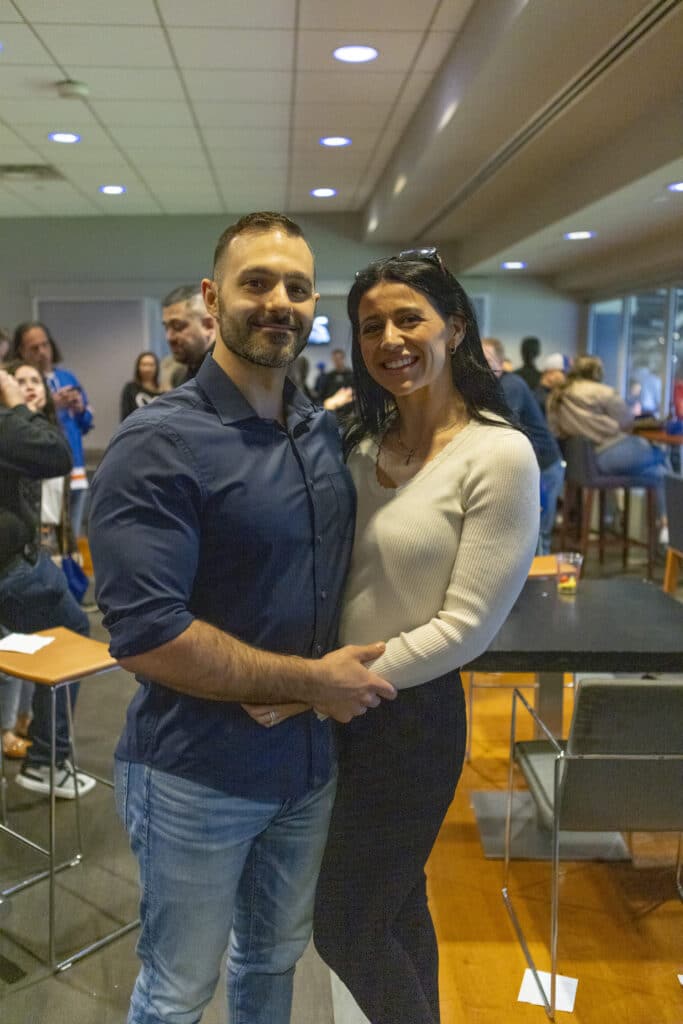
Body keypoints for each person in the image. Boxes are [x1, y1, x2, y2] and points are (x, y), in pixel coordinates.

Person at [88, 211, 396, 1024]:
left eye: (296, 287)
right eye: (256, 281)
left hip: (304, 769)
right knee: (178, 989)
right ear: (211, 295)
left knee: (271, 963)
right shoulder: (160, 443)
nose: (278, 301)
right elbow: (147, 637)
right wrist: (310, 681)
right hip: (195, 775)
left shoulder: (318, 431)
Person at [245, 249, 539, 1024]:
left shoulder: (497, 454)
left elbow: (465, 628)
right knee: (395, 905)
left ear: (456, 326)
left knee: (343, 924)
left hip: (406, 720)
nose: (389, 339)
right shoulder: (358, 444)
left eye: (409, 318)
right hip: (334, 710)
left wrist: (326, 687)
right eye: (371, 325)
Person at [0, 363, 94, 798]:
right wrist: (18, 407)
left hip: (24, 560)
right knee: (69, 635)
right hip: (12, 569)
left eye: (32, 381)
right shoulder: (11, 422)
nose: (24, 389)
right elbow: (56, 454)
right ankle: (47, 760)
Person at [547, 355, 668, 542]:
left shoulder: (557, 394)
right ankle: (664, 528)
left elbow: (555, 430)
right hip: (606, 455)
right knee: (659, 455)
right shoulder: (603, 392)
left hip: (580, 463)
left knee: (659, 471)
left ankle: (659, 525)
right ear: (597, 372)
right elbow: (626, 421)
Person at [482, 338, 564, 554]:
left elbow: (498, 425)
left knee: (538, 537)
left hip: (544, 467)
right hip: (529, 468)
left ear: (501, 362)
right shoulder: (489, 387)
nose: (479, 363)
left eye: (487, 359)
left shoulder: (511, 385)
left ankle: (541, 586)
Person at [12, 321, 93, 540]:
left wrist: (79, 408)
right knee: (45, 543)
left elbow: (86, 425)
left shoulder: (68, 378)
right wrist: (51, 406)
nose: (42, 353)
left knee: (70, 543)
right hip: (42, 476)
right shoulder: (19, 383)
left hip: (75, 470)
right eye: (34, 348)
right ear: (21, 351)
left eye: (45, 345)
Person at [161, 283, 216, 386]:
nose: (169, 337)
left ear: (208, 325)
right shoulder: (179, 377)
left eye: (177, 326)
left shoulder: (231, 374)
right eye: (166, 327)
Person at [120, 351, 164, 421]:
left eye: (151, 365)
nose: (147, 369)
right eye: (144, 365)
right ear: (138, 367)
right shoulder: (130, 388)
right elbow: (125, 416)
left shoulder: (164, 391)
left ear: (157, 367)